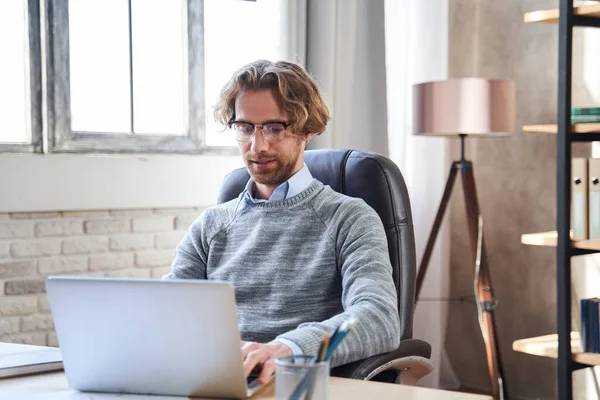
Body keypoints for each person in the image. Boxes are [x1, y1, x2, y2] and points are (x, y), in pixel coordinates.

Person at [164, 60, 400, 384]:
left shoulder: (350, 218)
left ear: (307, 129)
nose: (257, 146)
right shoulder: (210, 225)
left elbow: (378, 319)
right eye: (245, 128)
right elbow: (166, 312)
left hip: (299, 385)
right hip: (217, 383)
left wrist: (286, 349)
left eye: (275, 128)